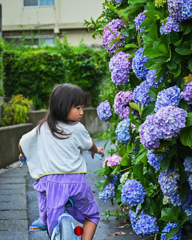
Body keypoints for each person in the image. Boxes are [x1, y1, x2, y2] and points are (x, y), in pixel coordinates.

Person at [18, 83, 104, 239]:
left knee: (43, 192)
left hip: (51, 185)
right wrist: (96, 150)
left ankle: (44, 220)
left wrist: (23, 154)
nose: (81, 112)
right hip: (76, 183)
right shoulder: (77, 128)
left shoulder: (42, 128)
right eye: (77, 108)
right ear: (62, 106)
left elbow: (23, 142)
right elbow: (89, 144)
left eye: (82, 108)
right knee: (92, 216)